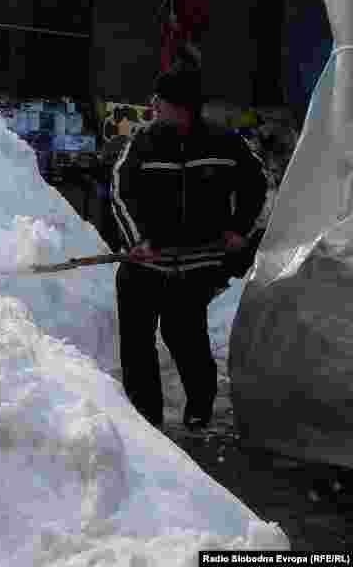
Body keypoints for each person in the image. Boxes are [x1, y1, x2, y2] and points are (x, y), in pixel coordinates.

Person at [110, 63, 268, 430]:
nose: (153, 105)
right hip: (145, 263)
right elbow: (120, 190)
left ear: (182, 106)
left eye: (160, 99)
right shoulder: (142, 141)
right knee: (137, 345)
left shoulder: (225, 142)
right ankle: (145, 421)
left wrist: (238, 228)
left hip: (194, 266)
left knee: (185, 337)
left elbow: (260, 183)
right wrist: (138, 241)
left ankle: (199, 405)